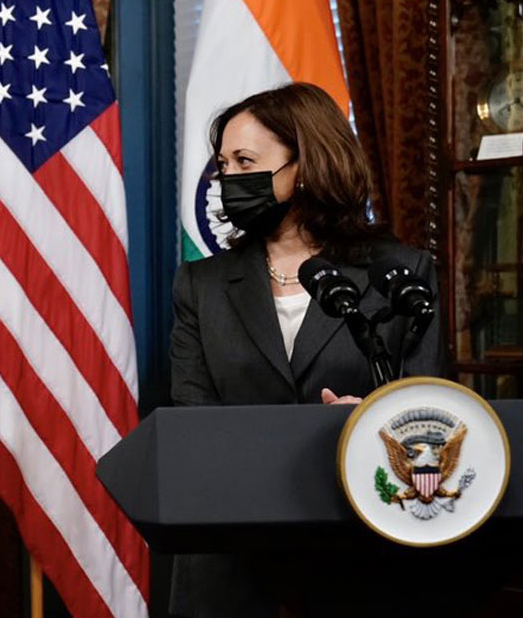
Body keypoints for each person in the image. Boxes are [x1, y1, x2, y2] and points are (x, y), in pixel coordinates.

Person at [168, 82, 453, 618]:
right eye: (223, 165)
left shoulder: (399, 273)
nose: (227, 178)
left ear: (305, 166)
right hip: (232, 556)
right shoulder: (200, 284)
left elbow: (430, 415)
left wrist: (368, 424)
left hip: (357, 551)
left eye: (244, 161)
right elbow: (193, 422)